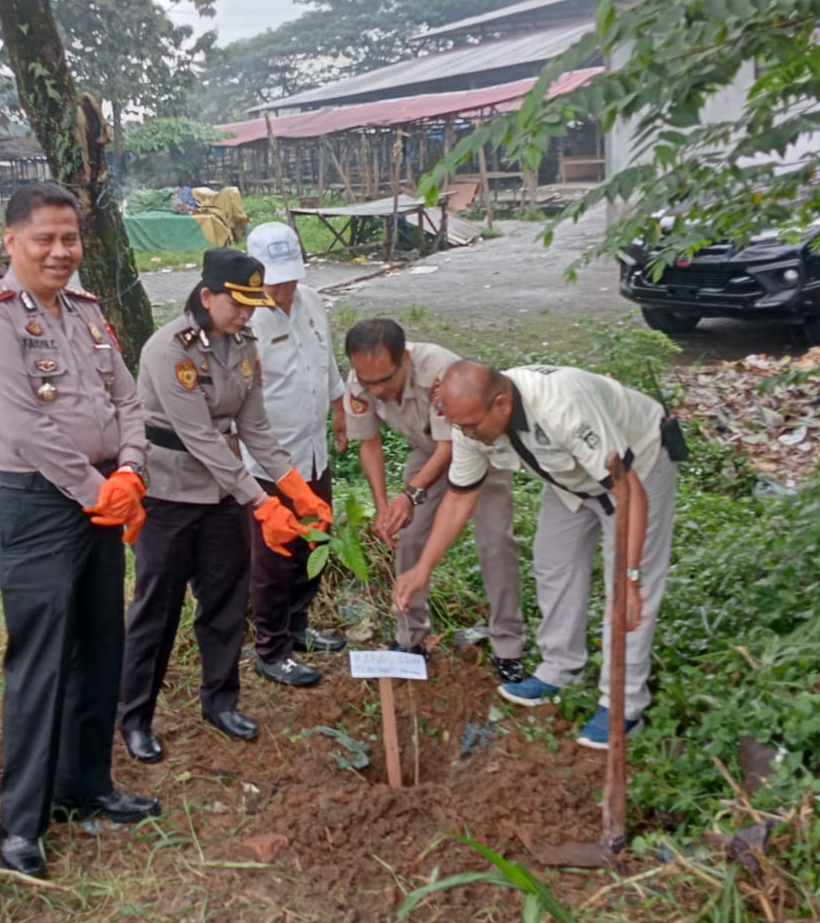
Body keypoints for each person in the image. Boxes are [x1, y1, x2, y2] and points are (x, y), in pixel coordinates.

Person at [0, 183, 158, 879]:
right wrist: (102, 490)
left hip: (101, 500)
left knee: (101, 648)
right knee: (39, 665)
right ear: (10, 240)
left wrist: (129, 471)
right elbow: (22, 427)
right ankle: (22, 827)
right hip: (34, 509)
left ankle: (87, 787)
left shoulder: (87, 312)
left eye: (70, 238)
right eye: (45, 238)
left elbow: (127, 399)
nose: (60, 251)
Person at [392, 359, 678, 749]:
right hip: (571, 477)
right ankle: (561, 670)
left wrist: (631, 576)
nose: (466, 434)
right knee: (552, 563)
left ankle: (623, 705)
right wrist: (422, 569)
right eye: (459, 426)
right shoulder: (469, 423)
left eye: (471, 425)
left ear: (502, 405)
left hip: (637, 470)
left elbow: (627, 490)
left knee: (626, 592)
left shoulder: (563, 407)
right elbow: (460, 497)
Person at [117, 247, 331, 762]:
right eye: (237, 303)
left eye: (251, 305)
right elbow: (200, 439)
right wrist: (261, 501)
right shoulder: (169, 349)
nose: (246, 314)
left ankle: (220, 701)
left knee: (225, 602)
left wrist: (294, 487)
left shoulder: (243, 345)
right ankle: (135, 718)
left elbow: (254, 427)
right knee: (157, 609)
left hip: (221, 496)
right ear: (207, 295)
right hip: (169, 495)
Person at [343, 320, 526, 682]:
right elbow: (368, 442)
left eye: (385, 380)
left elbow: (451, 445)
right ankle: (409, 637)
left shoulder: (439, 372)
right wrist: (384, 505)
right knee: (408, 538)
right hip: (427, 452)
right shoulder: (359, 382)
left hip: (478, 447)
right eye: (369, 382)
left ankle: (509, 646)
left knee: (495, 542)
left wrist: (410, 494)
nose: (377, 390)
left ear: (405, 359)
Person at [243, 222, 348, 688]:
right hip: (268, 461)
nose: (283, 288)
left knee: (314, 538)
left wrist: (339, 406)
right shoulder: (244, 319)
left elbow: (322, 362)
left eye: (288, 276)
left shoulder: (308, 300)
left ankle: (299, 626)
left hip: (312, 450)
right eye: (273, 279)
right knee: (274, 554)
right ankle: (271, 647)